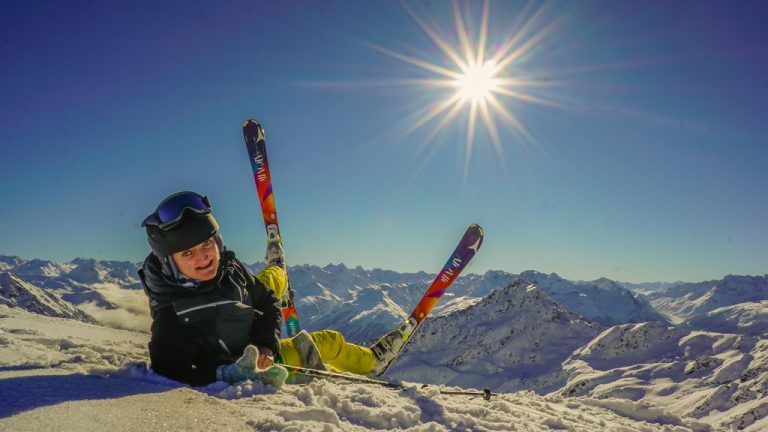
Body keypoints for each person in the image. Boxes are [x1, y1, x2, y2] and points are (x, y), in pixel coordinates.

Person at [138, 191, 384, 387]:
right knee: (329, 341)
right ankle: (372, 361)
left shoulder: (228, 267)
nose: (204, 257)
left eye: (207, 243)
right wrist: (228, 373)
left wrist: (266, 342)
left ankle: (278, 268)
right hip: (254, 364)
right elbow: (169, 371)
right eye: (188, 252)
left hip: (255, 337)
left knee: (270, 281)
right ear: (169, 263)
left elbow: (266, 301)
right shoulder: (171, 316)